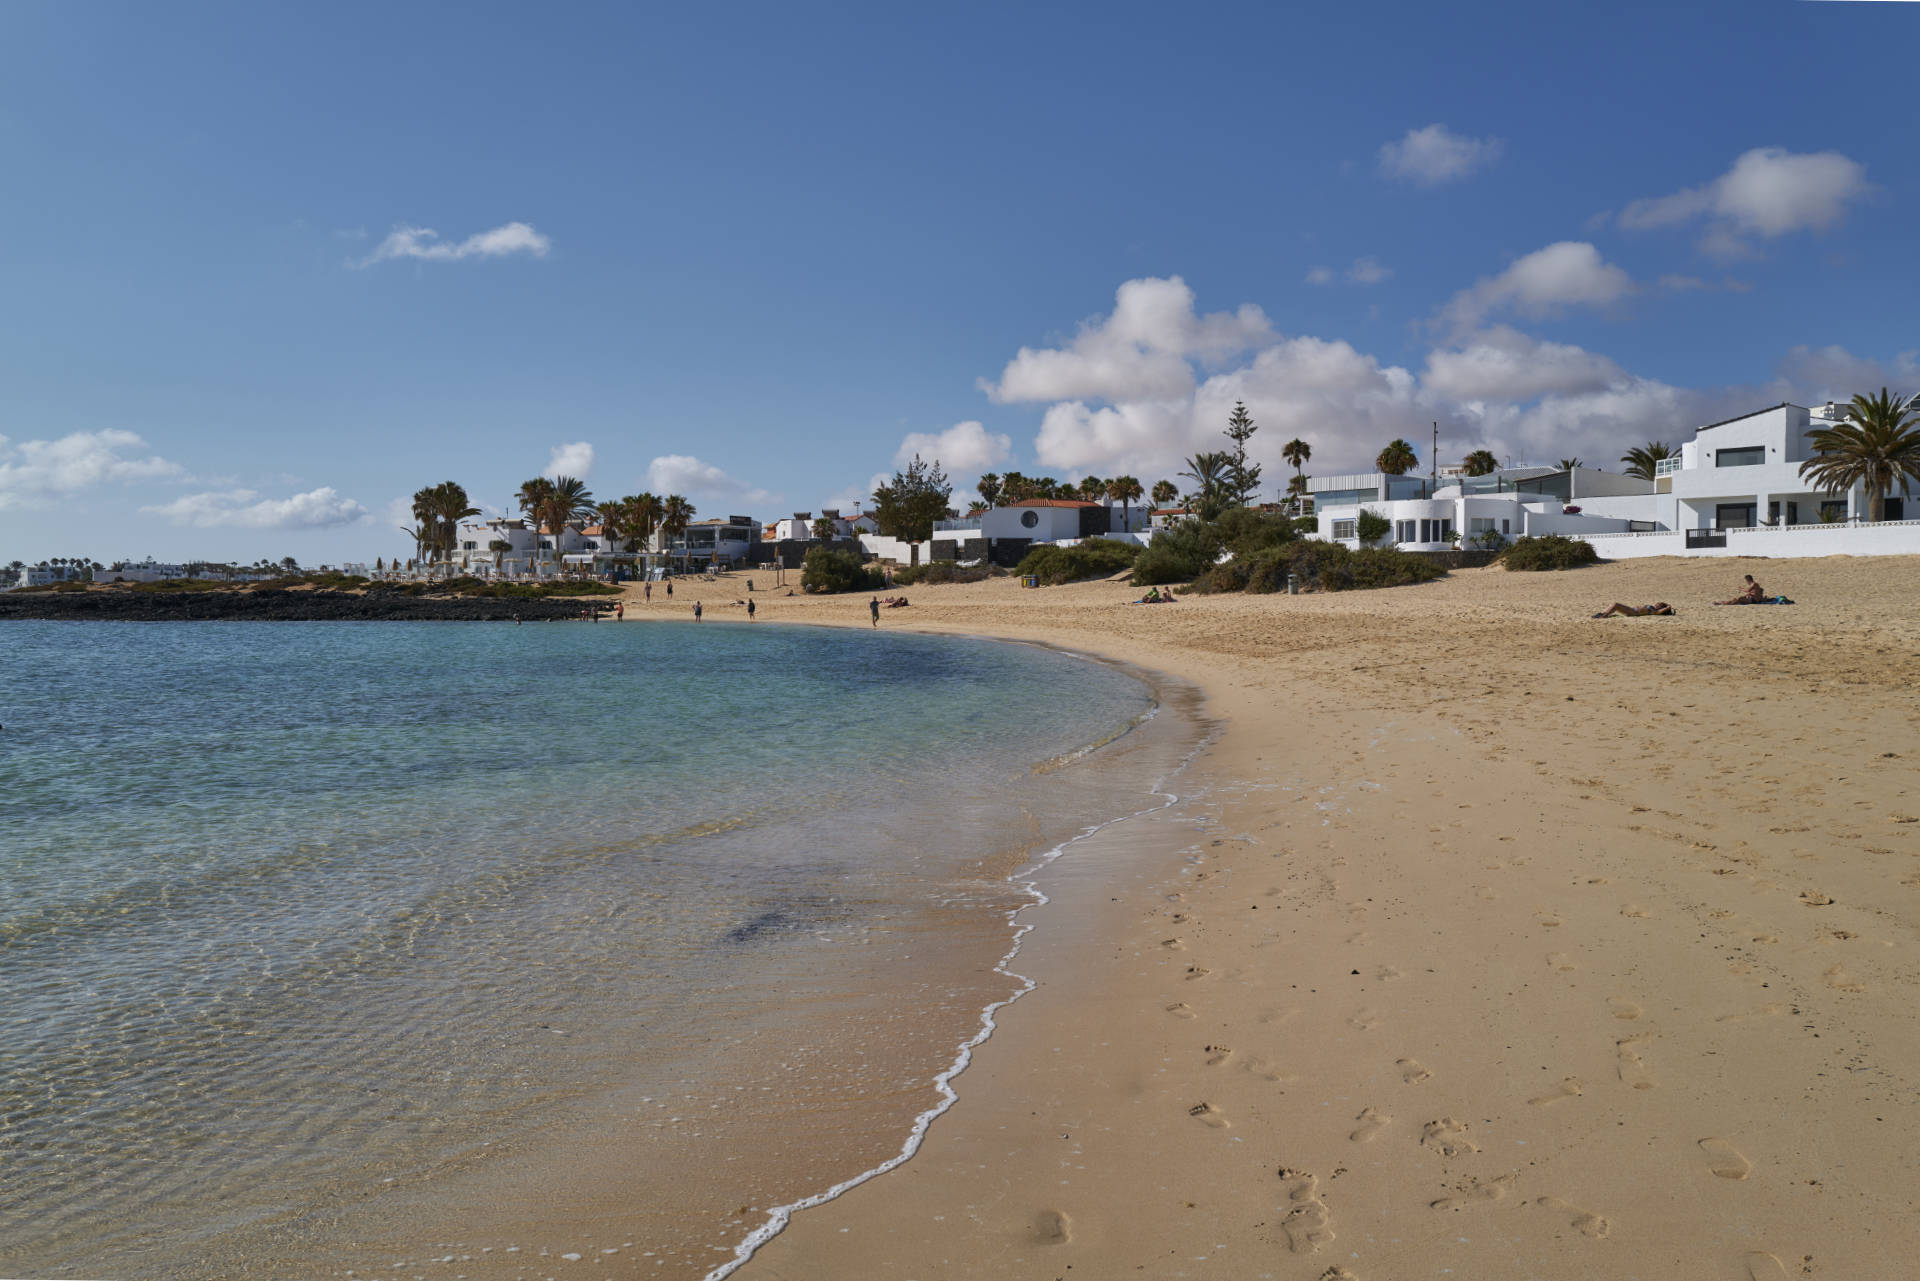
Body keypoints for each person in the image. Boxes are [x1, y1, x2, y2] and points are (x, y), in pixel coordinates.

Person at [1592, 602, 1675, 618]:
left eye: (1659, 604)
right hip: (1632, 610)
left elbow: (1668, 607)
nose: (1656, 604)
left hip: (1634, 612)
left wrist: (1667, 605)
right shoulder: (1653, 609)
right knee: (1615, 605)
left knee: (1615, 605)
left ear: (1661, 607)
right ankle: (1603, 614)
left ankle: (1603, 615)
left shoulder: (1655, 611)